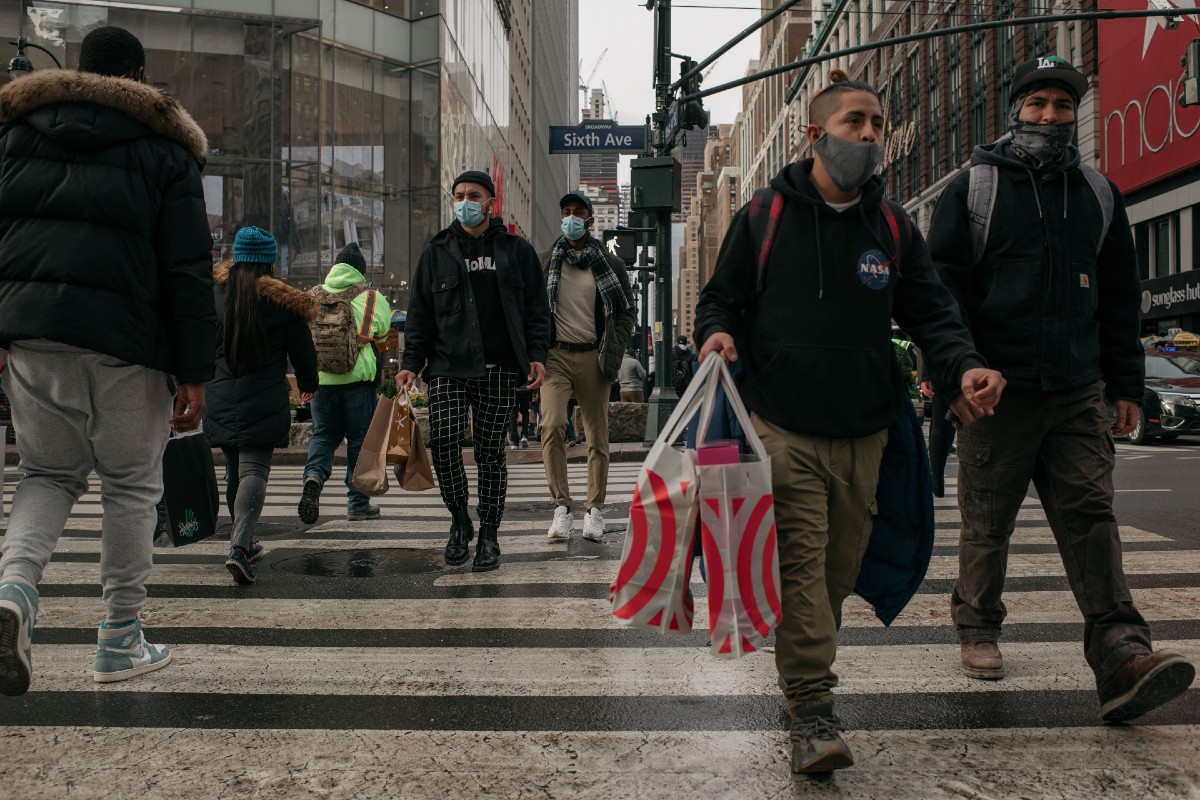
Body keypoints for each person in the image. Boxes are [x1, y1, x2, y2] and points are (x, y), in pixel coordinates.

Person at [695, 70, 1006, 774]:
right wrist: (715, 334)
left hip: (867, 431)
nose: (869, 136)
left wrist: (964, 367)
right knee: (803, 568)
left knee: (835, 574)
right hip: (782, 426)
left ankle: (804, 679)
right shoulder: (763, 216)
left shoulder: (892, 225)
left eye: (876, 125)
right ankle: (812, 710)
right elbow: (720, 300)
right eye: (854, 123)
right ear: (814, 135)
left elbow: (933, 313)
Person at [927, 56, 1195, 718]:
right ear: (1014, 110)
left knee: (1092, 520)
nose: (1050, 116)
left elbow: (1120, 299)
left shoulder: (1100, 194)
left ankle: (1122, 655)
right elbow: (940, 293)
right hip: (996, 392)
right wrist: (957, 372)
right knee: (989, 523)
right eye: (1038, 104)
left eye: (1063, 106)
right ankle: (978, 624)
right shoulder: (974, 189)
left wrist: (1126, 383)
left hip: (1077, 390)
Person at [0, 26, 215, 694]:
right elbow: (186, 271)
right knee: (130, 485)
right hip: (128, 344)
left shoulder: (14, 137)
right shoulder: (164, 152)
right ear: (140, 75)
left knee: (46, 474)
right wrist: (195, 371)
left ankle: (13, 592)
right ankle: (120, 641)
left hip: (33, 337)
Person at [397, 170, 551, 572]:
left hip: (499, 367)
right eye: (459, 195)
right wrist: (411, 363)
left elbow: (536, 310)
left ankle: (489, 536)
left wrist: (537, 355)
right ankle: (460, 521)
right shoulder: (436, 251)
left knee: (490, 455)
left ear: (490, 203)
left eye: (474, 195)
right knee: (444, 443)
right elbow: (420, 316)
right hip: (448, 366)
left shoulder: (516, 250)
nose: (465, 201)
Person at [206, 227, 318, 585]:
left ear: (235, 258)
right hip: (264, 396)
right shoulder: (283, 304)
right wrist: (309, 385)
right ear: (270, 261)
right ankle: (240, 546)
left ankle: (246, 541)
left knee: (232, 471)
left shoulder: (216, 296)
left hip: (220, 395)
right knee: (254, 471)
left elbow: (201, 345)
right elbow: (303, 352)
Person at [540, 192, 637, 543]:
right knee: (552, 424)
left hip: (595, 357)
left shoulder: (611, 264)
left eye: (578, 213)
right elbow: (535, 313)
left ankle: (594, 511)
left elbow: (627, 311)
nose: (571, 218)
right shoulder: (547, 262)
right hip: (556, 357)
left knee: (597, 437)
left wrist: (613, 349)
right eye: (565, 212)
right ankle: (561, 507)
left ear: (591, 219)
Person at [297, 242, 392, 525]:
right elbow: (384, 337)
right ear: (361, 273)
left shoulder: (312, 296)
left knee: (323, 436)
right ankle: (357, 503)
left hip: (321, 382)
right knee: (360, 442)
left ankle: (313, 477)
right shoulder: (373, 298)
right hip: (358, 383)